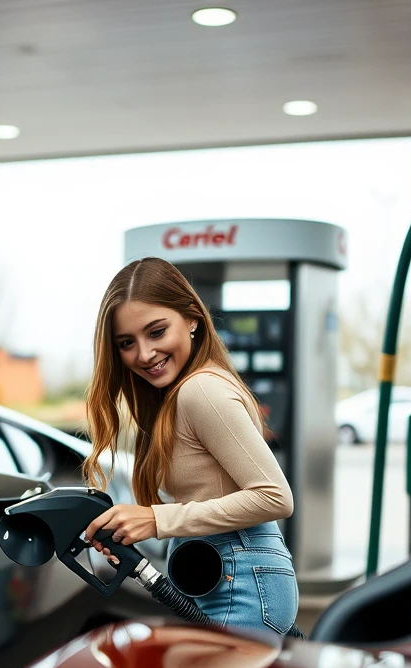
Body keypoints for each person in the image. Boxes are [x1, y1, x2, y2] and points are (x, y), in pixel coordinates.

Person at [82, 257, 298, 635]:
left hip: (241, 585)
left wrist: (154, 519)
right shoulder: (179, 396)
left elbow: (275, 497)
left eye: (157, 332)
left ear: (193, 318)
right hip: (228, 578)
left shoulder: (202, 390)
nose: (144, 354)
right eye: (127, 343)